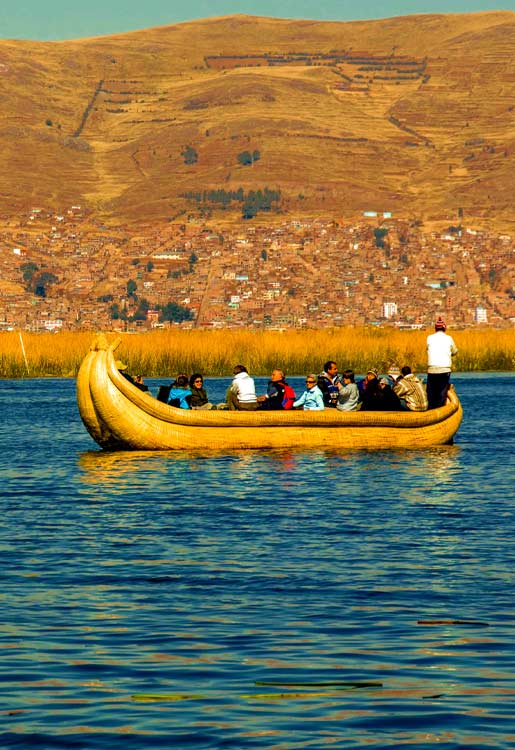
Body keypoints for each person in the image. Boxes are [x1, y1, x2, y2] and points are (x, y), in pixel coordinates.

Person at [426, 317, 458, 408]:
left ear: (436, 328)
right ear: (444, 328)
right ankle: (440, 409)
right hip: (444, 369)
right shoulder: (449, 338)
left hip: (432, 369)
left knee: (431, 392)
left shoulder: (429, 338)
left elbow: (428, 348)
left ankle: (431, 409)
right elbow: (455, 351)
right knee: (442, 391)